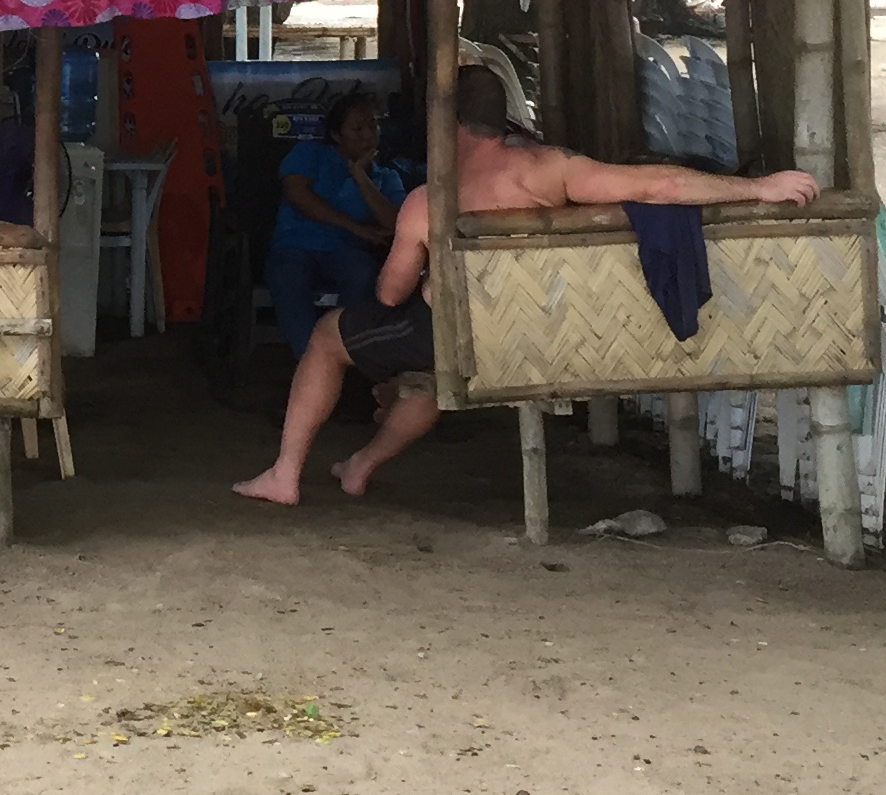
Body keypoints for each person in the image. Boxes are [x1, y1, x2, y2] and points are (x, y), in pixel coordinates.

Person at [234, 68, 818, 506]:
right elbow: (660, 183)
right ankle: (359, 465)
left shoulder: (427, 201)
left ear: (448, 124)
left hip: (461, 339)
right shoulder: (549, 168)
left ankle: (285, 473)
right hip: (544, 331)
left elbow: (389, 295)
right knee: (425, 379)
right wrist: (758, 188)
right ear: (502, 120)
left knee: (330, 336)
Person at [264, 92, 407, 342]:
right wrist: (355, 228)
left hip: (347, 252)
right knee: (287, 279)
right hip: (296, 245)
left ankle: (343, 353)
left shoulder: (385, 176)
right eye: (357, 128)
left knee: (363, 276)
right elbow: (296, 194)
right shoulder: (311, 153)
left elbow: (395, 223)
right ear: (336, 135)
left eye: (373, 126)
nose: (368, 135)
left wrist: (361, 178)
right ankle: (311, 361)